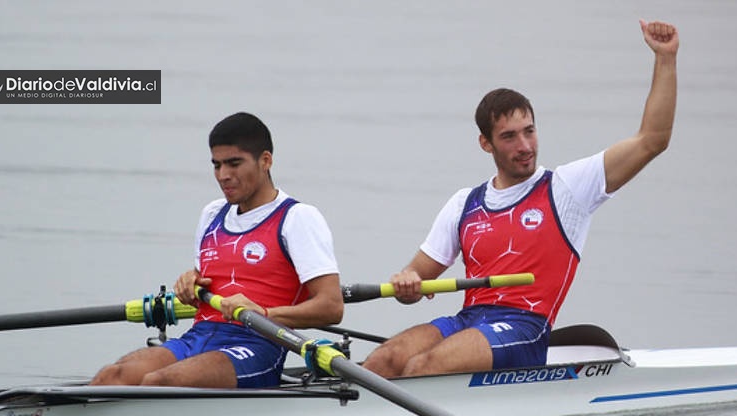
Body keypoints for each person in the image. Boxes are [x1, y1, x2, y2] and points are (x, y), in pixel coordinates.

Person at [362, 20, 678, 378]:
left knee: (425, 366)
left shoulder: (567, 188)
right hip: (469, 320)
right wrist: (407, 283)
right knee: (382, 362)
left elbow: (653, 140)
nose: (525, 146)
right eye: (510, 137)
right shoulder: (465, 203)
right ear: (486, 143)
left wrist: (665, 59)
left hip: (524, 327)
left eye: (529, 131)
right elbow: (417, 279)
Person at [91, 112, 343, 388]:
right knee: (111, 377)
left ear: (265, 161)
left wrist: (266, 313)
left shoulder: (298, 218)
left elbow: (330, 307)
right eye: (216, 165)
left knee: (159, 381)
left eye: (234, 164)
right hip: (199, 336)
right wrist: (190, 282)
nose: (223, 176)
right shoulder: (212, 214)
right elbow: (210, 281)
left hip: (257, 345)